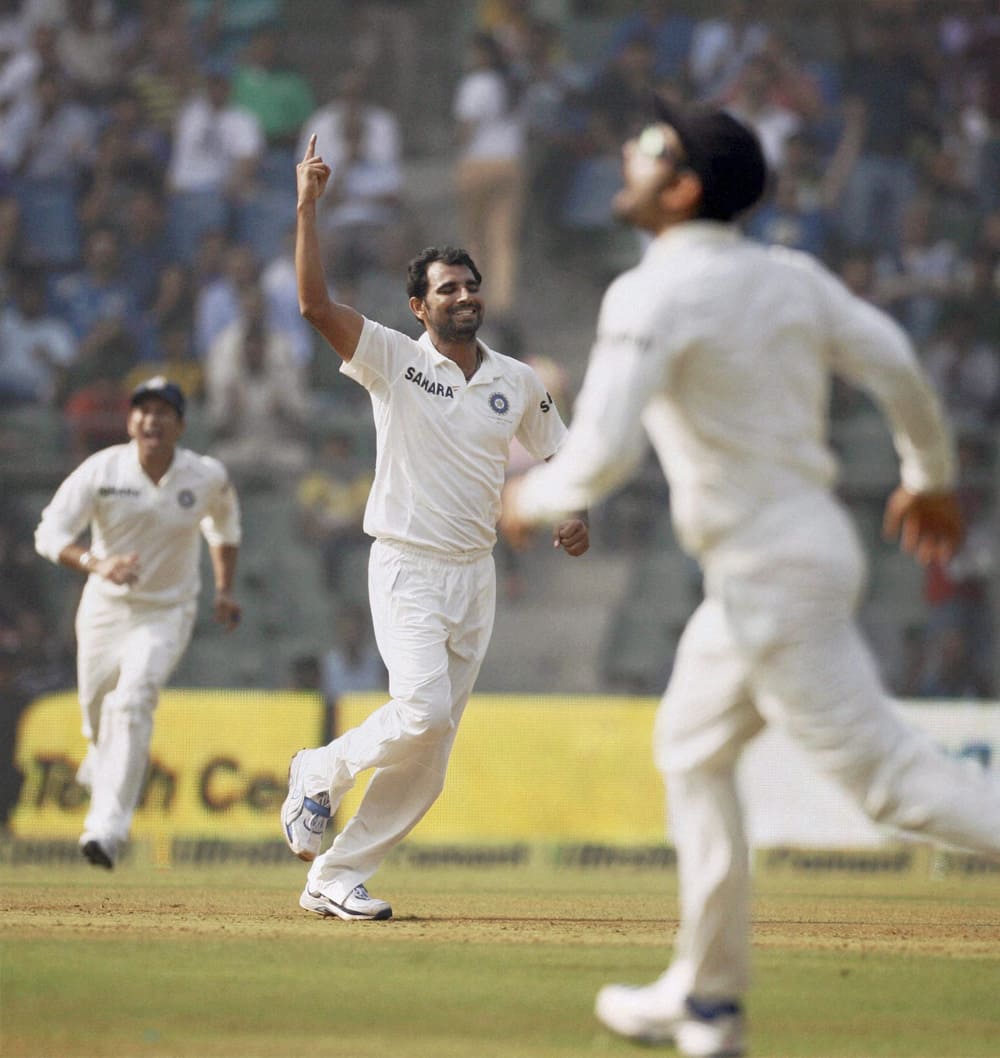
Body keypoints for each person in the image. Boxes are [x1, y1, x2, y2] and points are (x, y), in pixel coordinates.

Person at [499, 99, 1000, 1057]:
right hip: (775, 562)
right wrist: (929, 477)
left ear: (681, 189)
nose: (626, 151)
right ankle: (707, 997)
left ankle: (707, 994)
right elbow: (895, 361)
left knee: (891, 783)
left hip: (770, 570)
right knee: (690, 749)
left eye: (647, 149)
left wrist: (519, 502)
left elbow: (599, 459)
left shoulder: (650, 294)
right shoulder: (789, 276)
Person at [281, 134, 589, 921]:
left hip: (474, 575)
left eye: (469, 285)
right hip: (407, 564)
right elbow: (315, 305)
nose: (463, 296)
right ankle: (318, 768)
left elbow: (561, 458)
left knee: (430, 759)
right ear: (419, 307)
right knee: (418, 711)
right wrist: (307, 206)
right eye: (446, 288)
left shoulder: (517, 382)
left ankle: (335, 876)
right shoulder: (392, 358)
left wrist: (572, 514)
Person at [34, 376, 242, 870]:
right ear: (130, 422)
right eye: (143, 411)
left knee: (132, 700)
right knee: (95, 709)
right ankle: (99, 758)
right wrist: (96, 563)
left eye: (163, 412)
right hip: (105, 607)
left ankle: (106, 829)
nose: (152, 419)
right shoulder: (102, 470)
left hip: (167, 610)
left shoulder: (206, 475)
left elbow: (224, 527)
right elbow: (50, 532)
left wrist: (225, 589)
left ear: (181, 424)